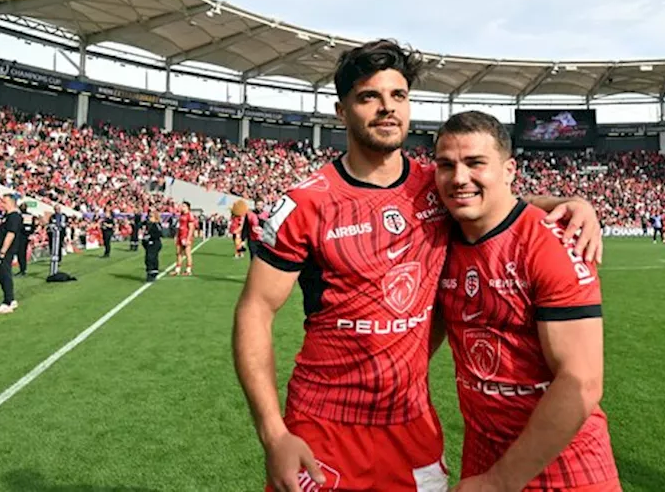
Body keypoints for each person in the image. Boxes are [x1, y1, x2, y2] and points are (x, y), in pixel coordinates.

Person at [233, 40, 603, 492]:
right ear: (341, 111)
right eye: (369, 97)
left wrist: (571, 203)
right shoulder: (306, 203)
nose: (387, 109)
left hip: (412, 427)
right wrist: (274, 435)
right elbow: (255, 311)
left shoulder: (437, 186)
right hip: (324, 423)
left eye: (398, 96)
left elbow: (498, 203)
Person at [433, 111, 619, 491]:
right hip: (482, 459)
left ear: (509, 170)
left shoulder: (552, 244)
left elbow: (582, 382)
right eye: (446, 165)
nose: (459, 177)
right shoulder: (440, 231)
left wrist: (501, 482)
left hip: (566, 468)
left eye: (475, 163)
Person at [0, 196, 21, 316]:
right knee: (1, 274)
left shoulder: (14, 217)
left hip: (5, 251)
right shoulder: (6, 216)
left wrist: (3, 251)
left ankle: (7, 302)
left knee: (4, 274)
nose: (2, 204)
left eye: (5, 202)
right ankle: (10, 299)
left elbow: (10, 234)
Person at [173, 201, 197, 276]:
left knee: (187, 253)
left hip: (186, 236)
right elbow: (179, 226)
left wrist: (188, 238)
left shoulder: (189, 215)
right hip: (180, 235)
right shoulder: (181, 215)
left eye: (183, 206)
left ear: (187, 207)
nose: (182, 207)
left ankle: (188, 270)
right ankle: (177, 269)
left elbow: (191, 228)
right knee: (178, 253)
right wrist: (176, 236)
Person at [141, 207, 163, 282]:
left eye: (151, 216)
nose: (149, 218)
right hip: (148, 243)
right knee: (148, 258)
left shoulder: (156, 224)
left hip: (155, 243)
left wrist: (150, 236)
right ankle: (151, 272)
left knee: (151, 258)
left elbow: (159, 233)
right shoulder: (147, 224)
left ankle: (152, 273)